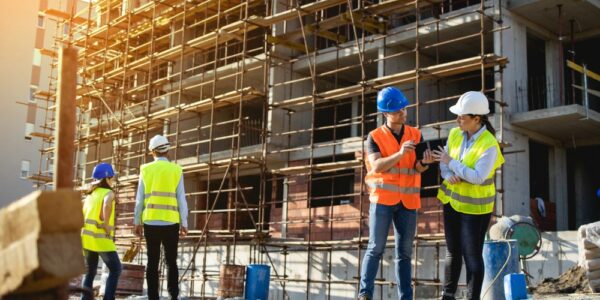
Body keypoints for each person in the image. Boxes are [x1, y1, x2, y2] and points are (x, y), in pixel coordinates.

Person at [358, 87, 434, 300]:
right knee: (376, 248)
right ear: (386, 114)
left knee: (405, 253)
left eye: (404, 108)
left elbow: (418, 167)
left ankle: (406, 297)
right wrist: (400, 153)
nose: (403, 112)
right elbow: (378, 166)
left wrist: (425, 163)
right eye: (398, 110)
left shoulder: (415, 134)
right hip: (383, 200)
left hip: (408, 201)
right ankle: (365, 293)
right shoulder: (374, 137)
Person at [432, 91, 505, 300]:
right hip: (452, 202)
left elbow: (478, 177)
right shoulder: (456, 134)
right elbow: (443, 161)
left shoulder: (489, 144)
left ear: (476, 119)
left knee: (472, 256)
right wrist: (448, 175)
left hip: (475, 209)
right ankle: (448, 295)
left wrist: (451, 164)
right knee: (452, 251)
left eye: (462, 116)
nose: (458, 120)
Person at [134, 134, 188, 300]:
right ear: (168, 150)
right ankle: (173, 296)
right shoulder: (176, 170)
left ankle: (153, 297)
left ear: (152, 152)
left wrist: (137, 222)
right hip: (171, 222)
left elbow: (139, 198)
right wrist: (184, 222)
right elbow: (181, 198)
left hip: (150, 222)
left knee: (152, 262)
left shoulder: (146, 169)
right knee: (171, 261)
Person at [81, 163, 122, 300]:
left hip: (87, 239)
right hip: (101, 239)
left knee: (90, 272)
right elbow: (107, 204)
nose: (113, 180)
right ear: (107, 178)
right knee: (116, 269)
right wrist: (105, 223)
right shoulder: (108, 193)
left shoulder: (90, 195)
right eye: (112, 177)